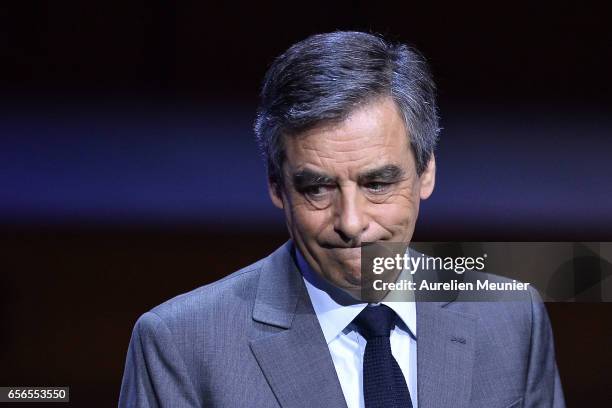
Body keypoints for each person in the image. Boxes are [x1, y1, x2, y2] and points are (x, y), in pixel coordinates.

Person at [119, 31, 565, 407]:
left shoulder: (510, 316)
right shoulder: (180, 345)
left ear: (426, 171)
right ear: (277, 187)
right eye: (317, 188)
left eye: (378, 184)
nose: (351, 223)